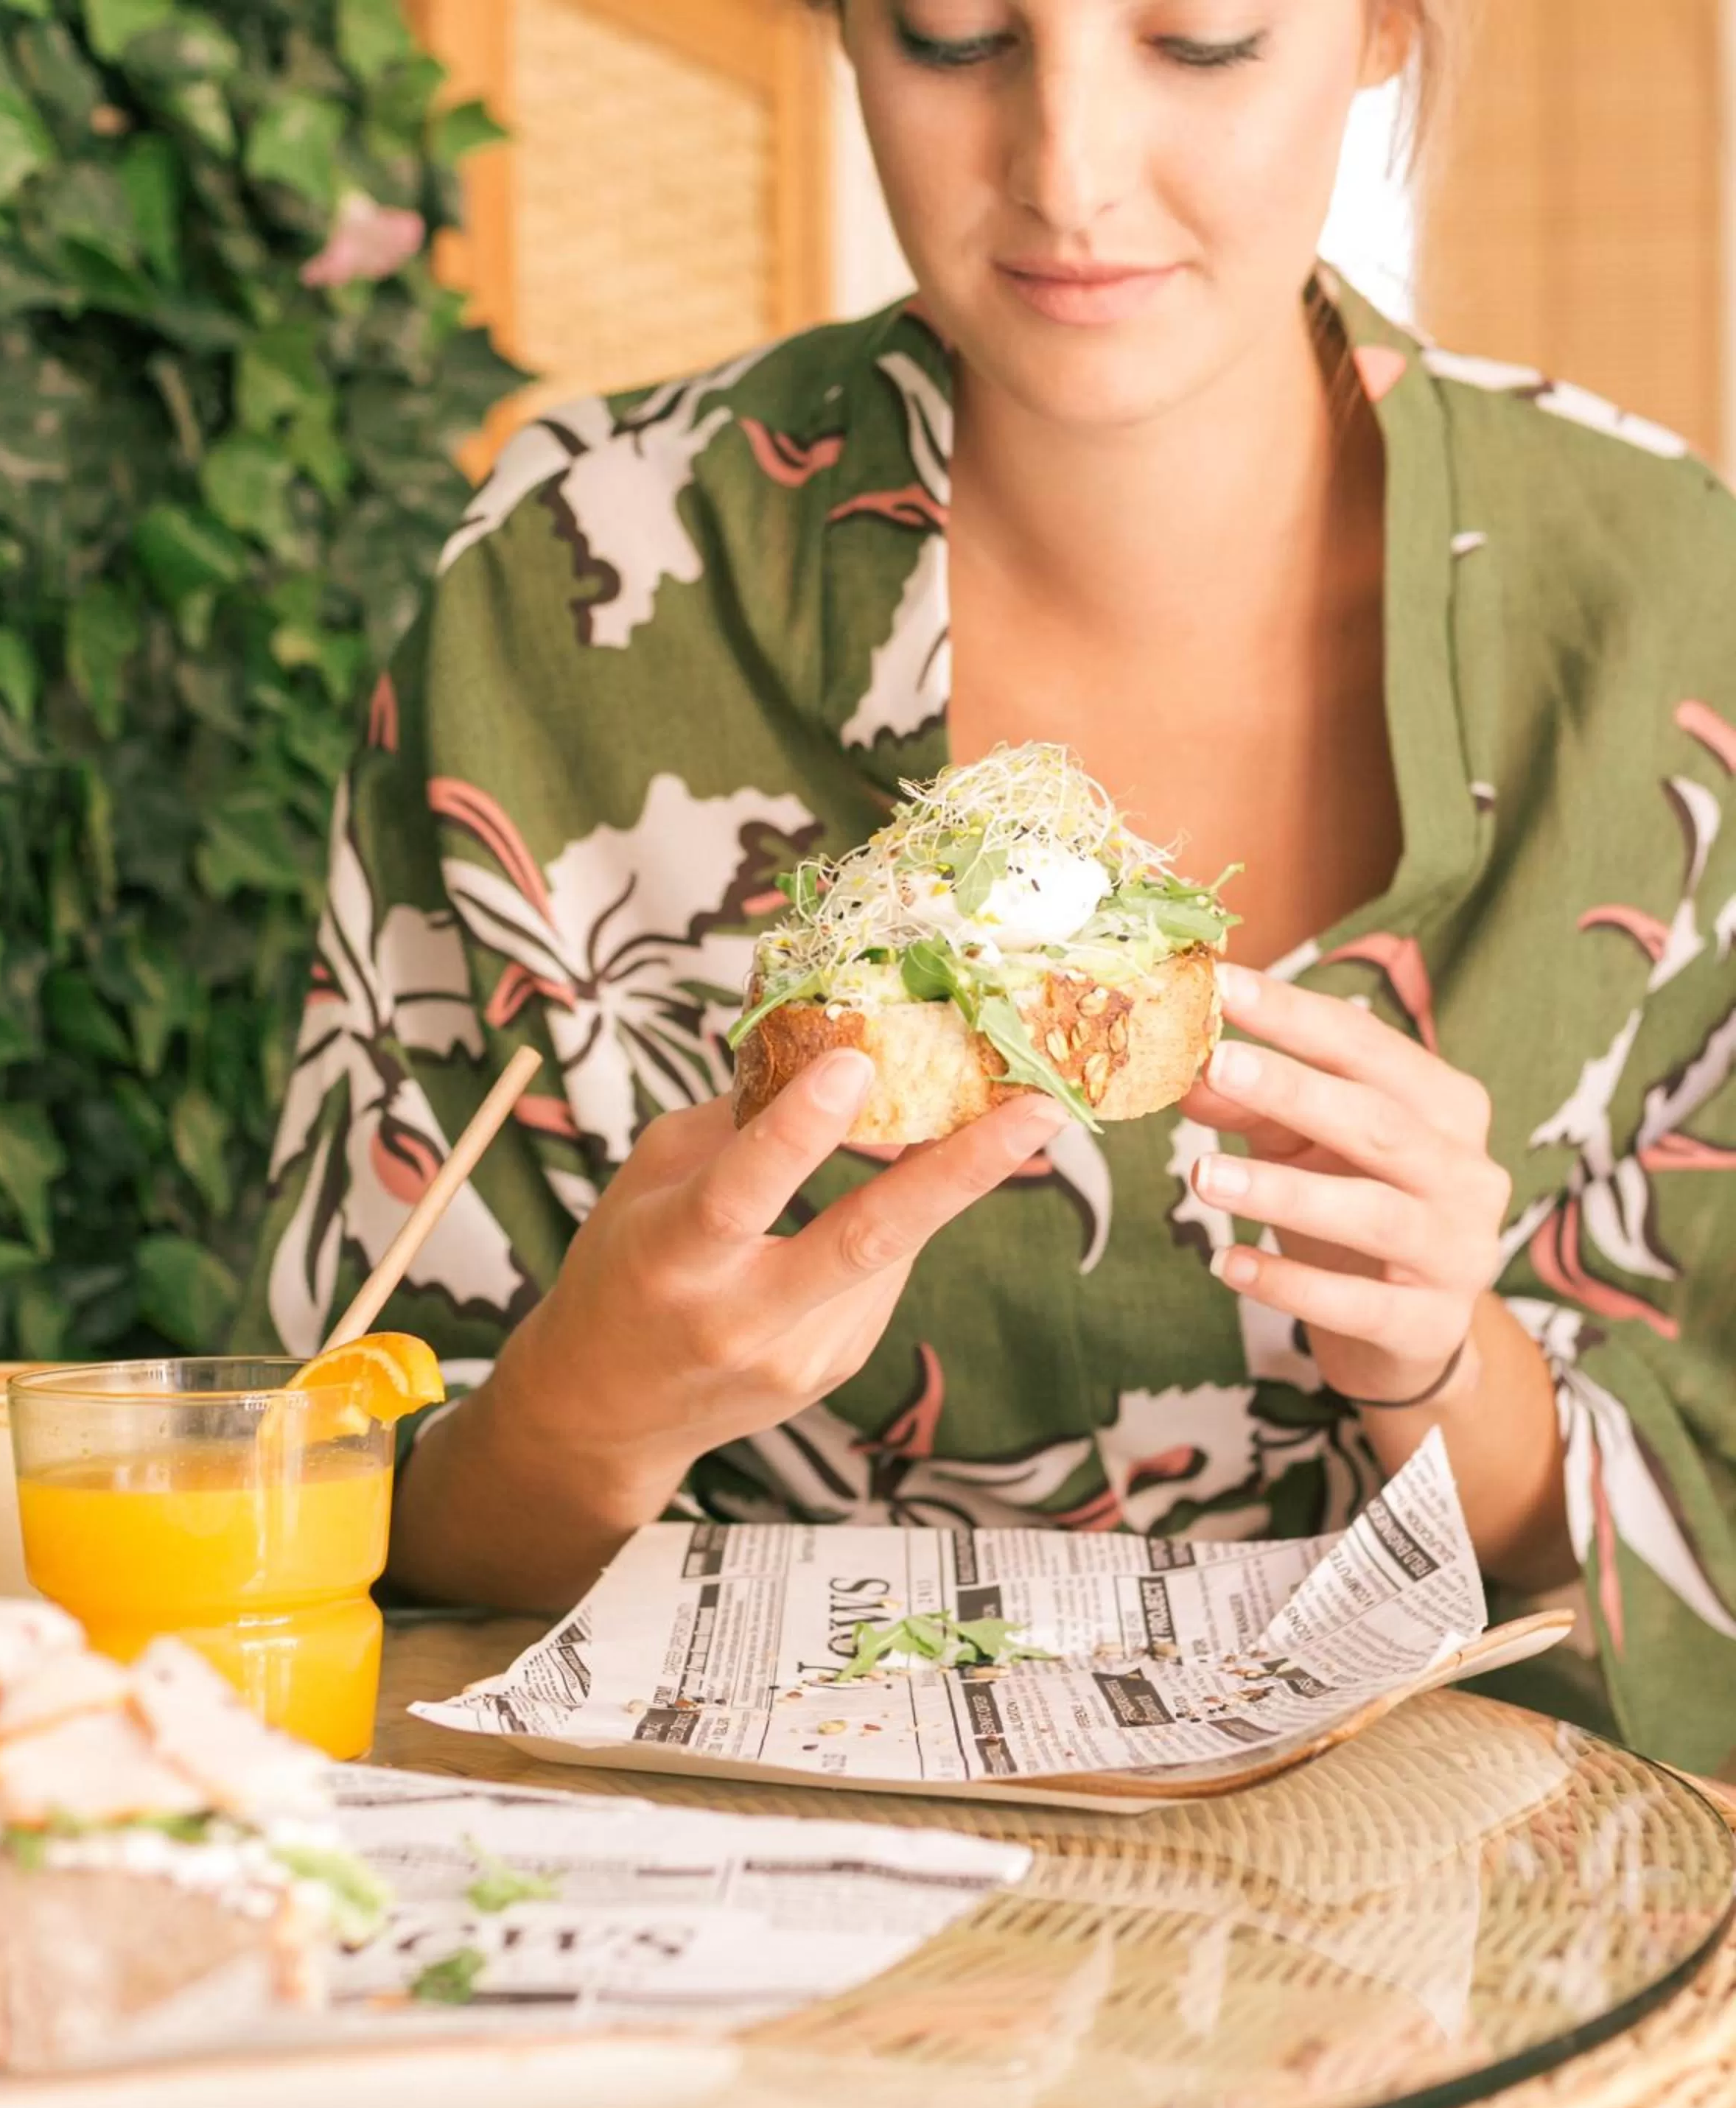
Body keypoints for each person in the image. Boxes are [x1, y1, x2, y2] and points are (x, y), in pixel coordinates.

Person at [237, 0, 1736, 1775]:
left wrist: (1446, 1372)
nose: (1068, 171)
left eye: (1201, 38)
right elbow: (304, 1530)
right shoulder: (573, 592)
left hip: (1471, 1943)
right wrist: (592, 1409)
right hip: (732, 1959)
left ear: (1387, 29)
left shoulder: (1676, 620)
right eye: (955, 38)